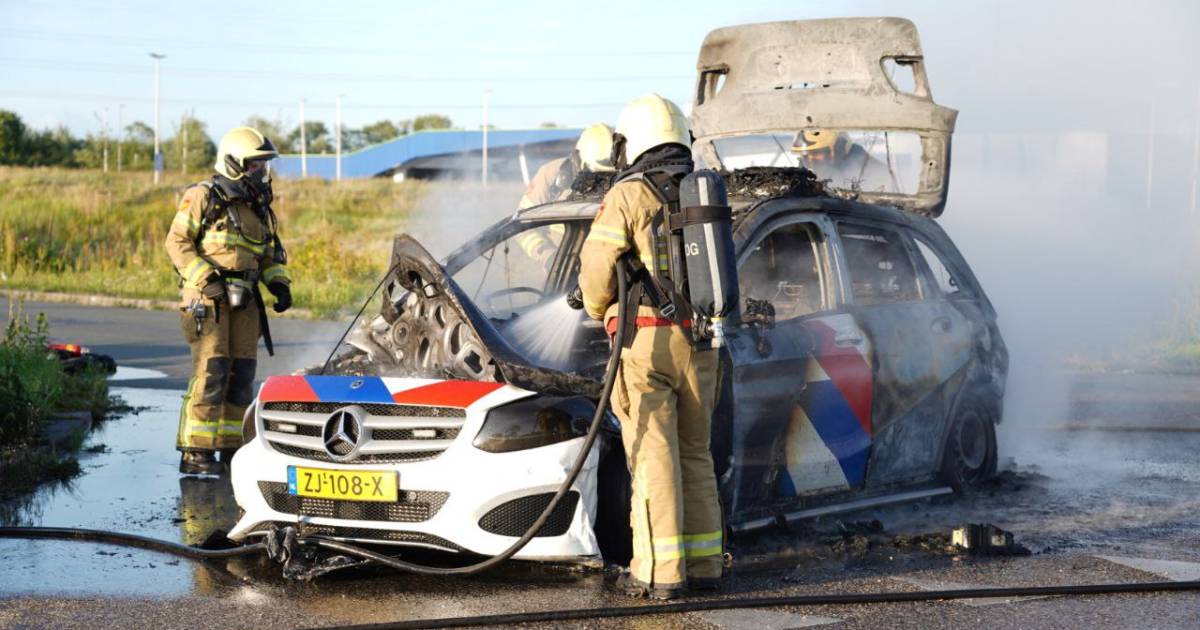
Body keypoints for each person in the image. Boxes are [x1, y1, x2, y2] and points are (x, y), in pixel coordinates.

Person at [577, 94, 723, 600]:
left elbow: (597, 273)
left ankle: (659, 574)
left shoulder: (630, 194)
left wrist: (597, 311)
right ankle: (705, 564)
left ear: (631, 140)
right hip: (704, 342)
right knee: (695, 454)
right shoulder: (705, 188)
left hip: (648, 346)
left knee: (653, 454)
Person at [165, 126, 292, 475]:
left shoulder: (258, 207)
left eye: (263, 166)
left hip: (245, 300)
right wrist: (206, 280)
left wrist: (279, 284)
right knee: (212, 371)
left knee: (241, 374)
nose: (261, 172)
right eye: (255, 165)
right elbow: (177, 243)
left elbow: (267, 255)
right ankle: (196, 453)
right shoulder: (202, 196)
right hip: (208, 298)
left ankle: (230, 448)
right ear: (234, 163)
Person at [516, 123, 615, 268]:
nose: (601, 179)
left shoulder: (624, 181)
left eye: (608, 174)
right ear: (579, 159)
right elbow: (521, 227)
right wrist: (549, 257)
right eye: (595, 171)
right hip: (560, 273)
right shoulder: (551, 175)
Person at [793, 129, 892, 191]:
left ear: (837, 149)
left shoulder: (876, 173)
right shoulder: (806, 172)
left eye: (816, 152)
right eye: (806, 155)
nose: (810, 158)